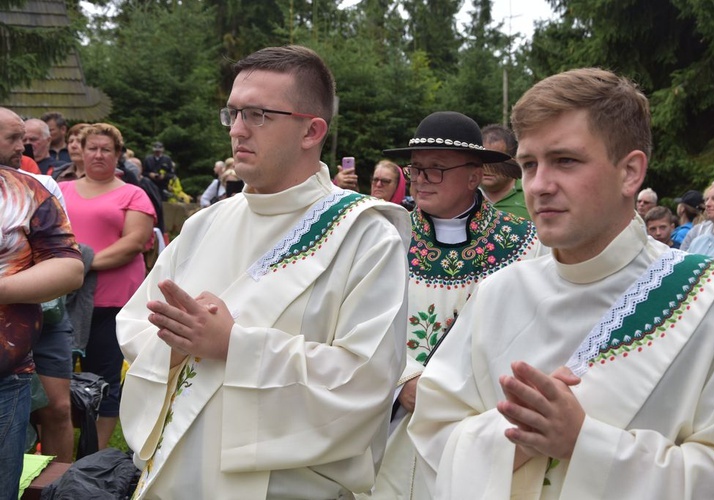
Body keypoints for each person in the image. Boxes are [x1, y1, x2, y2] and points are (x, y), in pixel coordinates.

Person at [408, 68, 714, 499]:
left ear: (630, 172)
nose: (540, 186)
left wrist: (584, 443)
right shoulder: (498, 291)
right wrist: (514, 438)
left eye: (565, 161)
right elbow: (435, 431)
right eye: (530, 164)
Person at [116, 45, 411, 499]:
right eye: (232, 114)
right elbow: (137, 325)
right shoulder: (204, 224)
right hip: (174, 476)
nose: (236, 131)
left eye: (257, 115)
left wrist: (233, 345)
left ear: (311, 131)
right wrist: (174, 346)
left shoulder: (366, 235)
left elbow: (365, 382)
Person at [360, 111, 543, 499]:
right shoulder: (386, 240)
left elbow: (541, 328)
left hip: (482, 426)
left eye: (436, 169)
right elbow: (360, 322)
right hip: (394, 427)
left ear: (474, 175)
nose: (422, 180)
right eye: (417, 169)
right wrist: (403, 381)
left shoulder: (527, 245)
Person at [0, 107, 83, 500]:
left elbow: (69, 269)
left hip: (6, 375)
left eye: (24, 137)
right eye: (12, 138)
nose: (24, 146)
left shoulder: (31, 191)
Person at [58, 123, 156, 450]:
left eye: (106, 149)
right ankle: (59, 443)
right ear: (81, 152)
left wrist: (78, 265)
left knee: (104, 380)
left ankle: (93, 453)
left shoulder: (133, 193)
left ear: (117, 155)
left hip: (112, 301)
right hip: (61, 300)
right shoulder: (61, 190)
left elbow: (134, 242)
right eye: (92, 148)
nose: (98, 155)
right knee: (56, 378)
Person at [480, 124, 530, 219]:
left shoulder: (531, 193)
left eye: (496, 159)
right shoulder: (464, 195)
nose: (488, 167)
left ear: (514, 160)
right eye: (483, 158)